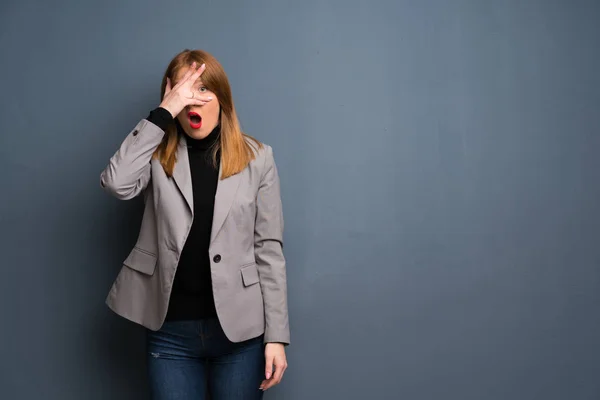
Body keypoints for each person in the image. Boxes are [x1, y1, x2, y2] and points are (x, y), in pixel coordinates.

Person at [99, 49, 289, 399]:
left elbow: (268, 249)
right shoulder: (155, 155)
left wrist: (276, 336)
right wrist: (163, 113)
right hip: (170, 332)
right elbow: (116, 183)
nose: (193, 100)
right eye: (184, 91)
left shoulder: (258, 158)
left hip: (240, 335)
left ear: (222, 98)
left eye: (203, 89)